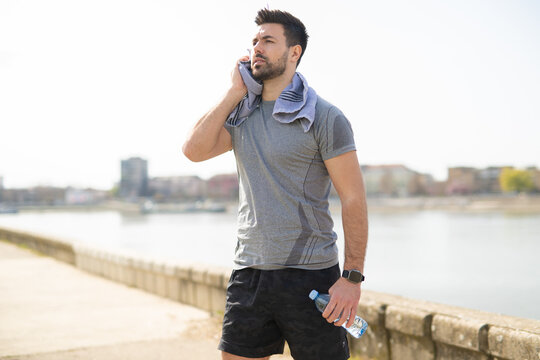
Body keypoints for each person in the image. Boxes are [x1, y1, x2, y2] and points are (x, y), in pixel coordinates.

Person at [182, 8, 368, 360]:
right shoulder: (241, 114)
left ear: (294, 52)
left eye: (268, 41)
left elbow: (354, 198)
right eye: (254, 41)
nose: (257, 48)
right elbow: (193, 151)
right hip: (249, 273)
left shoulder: (325, 117)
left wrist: (352, 278)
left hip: (310, 277)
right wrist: (233, 92)